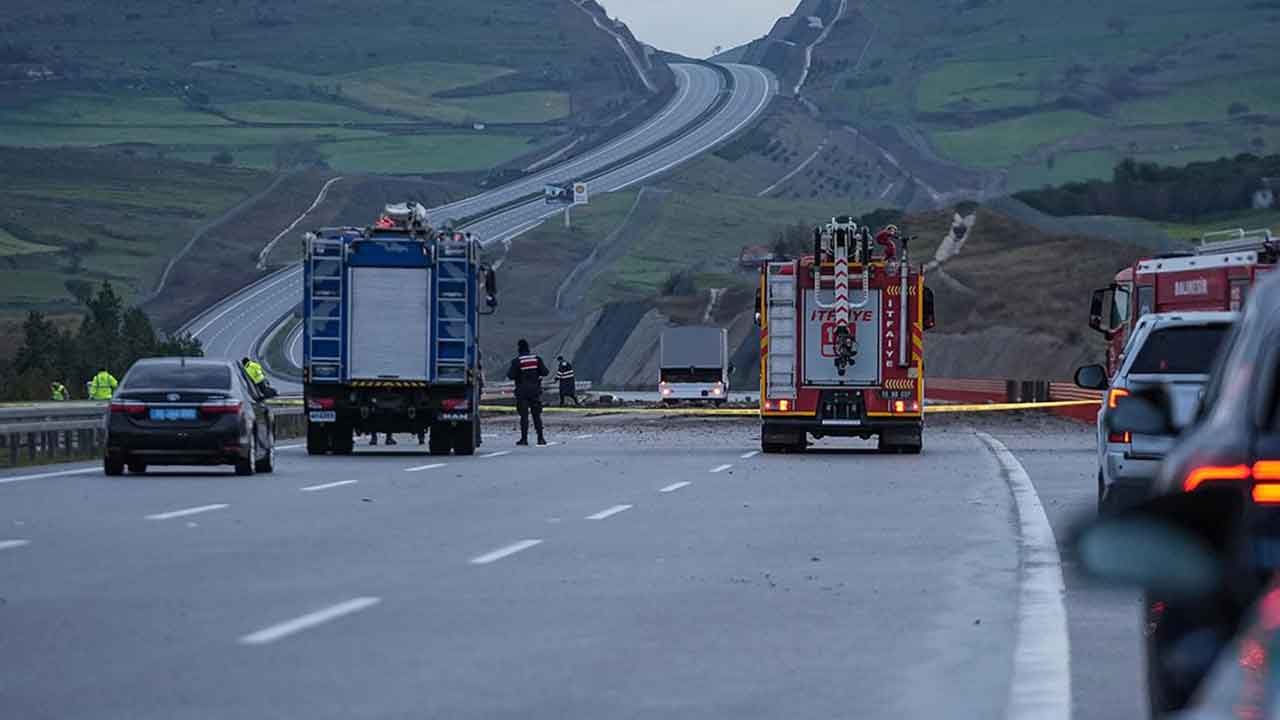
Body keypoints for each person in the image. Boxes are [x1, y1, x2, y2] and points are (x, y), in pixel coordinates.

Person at [507, 339, 548, 446]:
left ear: (519, 349)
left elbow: (510, 375)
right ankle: (541, 438)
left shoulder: (517, 361)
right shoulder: (536, 359)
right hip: (535, 391)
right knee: (537, 415)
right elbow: (545, 372)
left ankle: (524, 439)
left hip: (522, 392)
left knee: (524, 416)